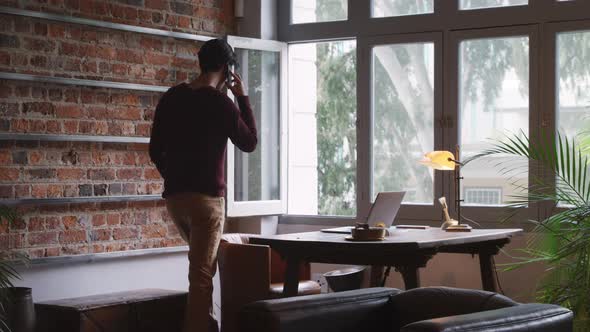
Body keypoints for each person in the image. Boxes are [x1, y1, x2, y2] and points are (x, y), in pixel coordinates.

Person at [149, 38, 257, 332]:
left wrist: (174, 177)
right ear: (227, 69)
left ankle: (207, 325)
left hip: (175, 200)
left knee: (203, 269)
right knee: (200, 275)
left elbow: (154, 150)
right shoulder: (221, 103)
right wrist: (242, 97)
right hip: (207, 202)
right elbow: (249, 143)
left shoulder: (171, 97)